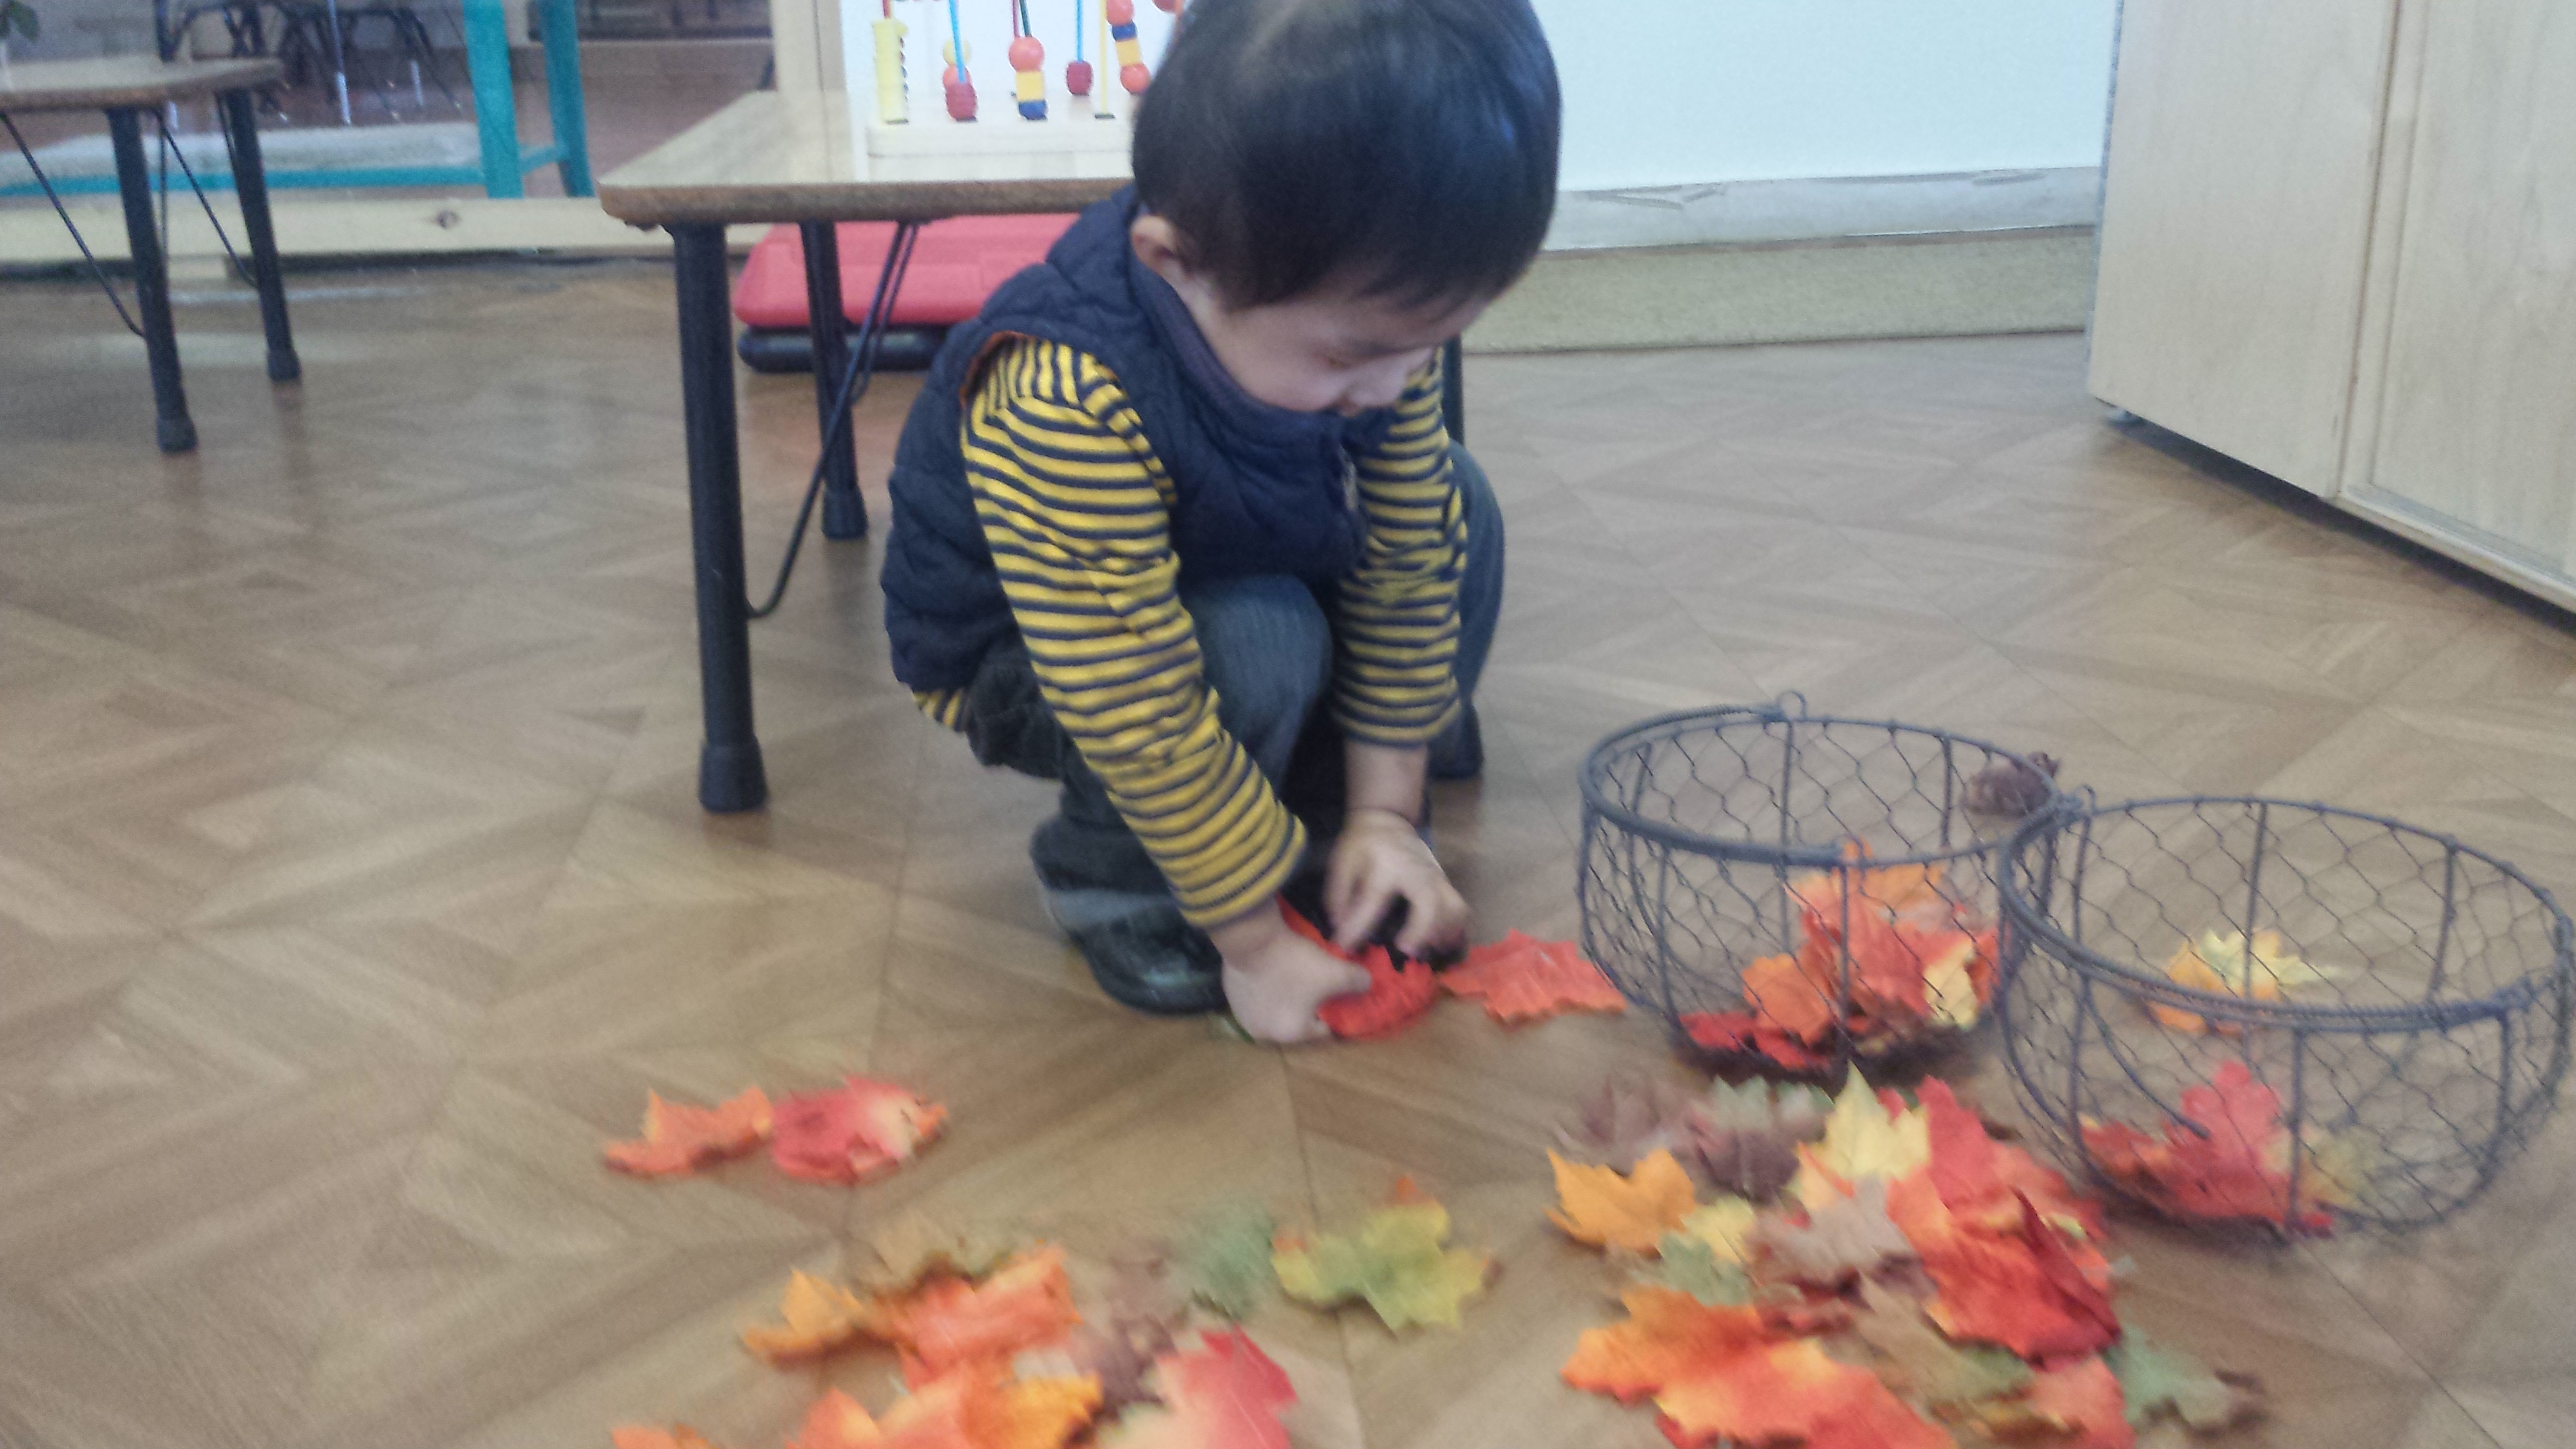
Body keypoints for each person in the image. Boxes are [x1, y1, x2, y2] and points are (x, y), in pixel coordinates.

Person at [879, 0, 1559, 1042]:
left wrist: (1385, 815)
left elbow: (1409, 558)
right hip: (1038, 653)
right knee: (1259, 638)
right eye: (1351, 356)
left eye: (1432, 343)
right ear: (1176, 263)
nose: (1395, 384)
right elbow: (1131, 699)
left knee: (1456, 506)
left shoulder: (1370, 318)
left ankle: (1325, 829)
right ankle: (1117, 883)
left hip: (1229, 546)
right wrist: (1252, 941)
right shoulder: (1061, 391)